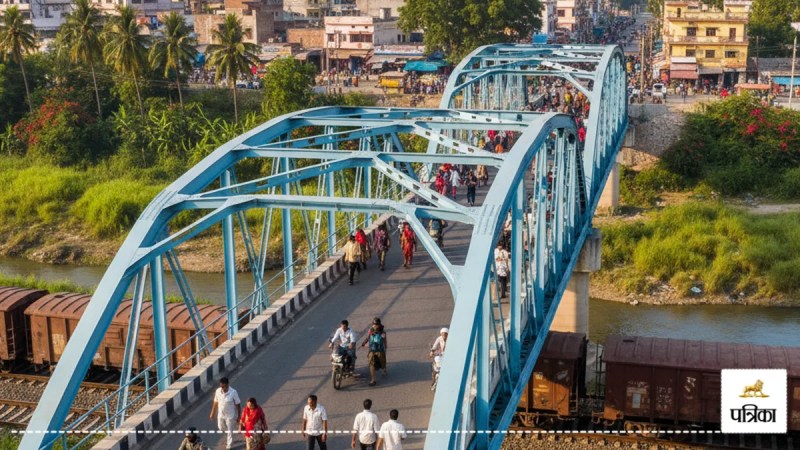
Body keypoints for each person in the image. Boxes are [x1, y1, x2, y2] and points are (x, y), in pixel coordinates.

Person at [209, 377, 241, 450]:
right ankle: (230, 436)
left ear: (227, 385)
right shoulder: (218, 391)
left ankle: (229, 445)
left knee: (230, 429)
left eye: (224, 386)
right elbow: (215, 402)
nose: (223, 388)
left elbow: (238, 404)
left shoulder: (233, 392)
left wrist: (239, 416)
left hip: (230, 415)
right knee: (220, 427)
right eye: (221, 386)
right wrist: (212, 412)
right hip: (221, 414)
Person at [361, 318, 387, 386]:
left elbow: (384, 340)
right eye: (373, 324)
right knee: (371, 364)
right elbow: (368, 337)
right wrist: (364, 343)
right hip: (372, 349)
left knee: (382, 362)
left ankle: (384, 368)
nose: (374, 326)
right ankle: (373, 380)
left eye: (376, 324)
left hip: (380, 349)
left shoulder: (382, 332)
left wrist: (385, 346)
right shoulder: (370, 330)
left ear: (379, 324)